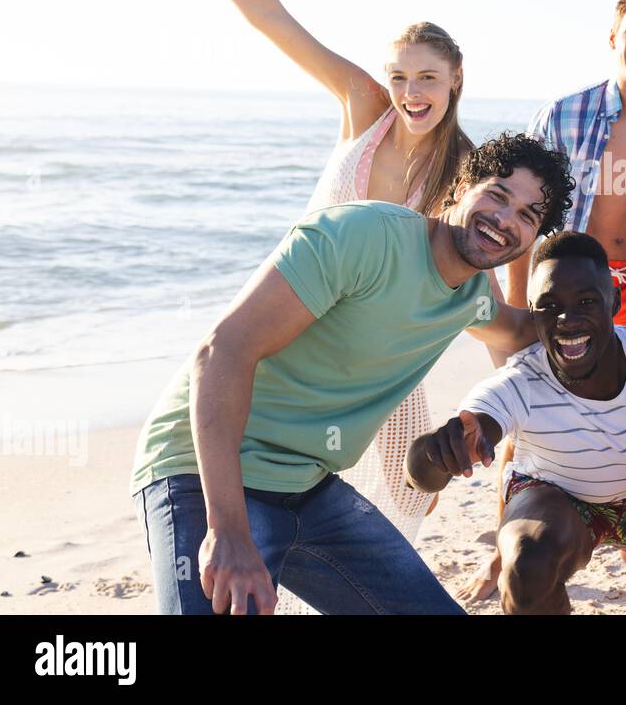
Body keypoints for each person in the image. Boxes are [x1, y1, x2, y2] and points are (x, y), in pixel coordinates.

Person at [151, 0, 506, 585]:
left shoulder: (467, 169)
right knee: (235, 426)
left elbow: (480, 281)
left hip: (375, 349)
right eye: (402, 75)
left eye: (429, 79)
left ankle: (345, 580)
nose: (413, 92)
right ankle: (234, 538)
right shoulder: (364, 107)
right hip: (295, 304)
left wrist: (514, 402)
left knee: (412, 481)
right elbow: (271, 17)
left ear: (456, 79)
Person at [128, 133, 574, 614]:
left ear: (533, 239)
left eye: (527, 216)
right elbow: (221, 351)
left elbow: (524, 332)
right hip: (203, 472)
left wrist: (625, 335)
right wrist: (228, 531)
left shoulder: (472, 297)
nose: (504, 219)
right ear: (461, 185)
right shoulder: (364, 235)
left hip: (307, 486)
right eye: (496, 195)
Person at [457, 0, 626, 599]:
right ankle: (506, 550)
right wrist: (519, 316)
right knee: (530, 421)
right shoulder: (564, 115)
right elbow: (528, 222)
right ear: (613, 39)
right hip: (572, 291)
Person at [408, 231, 626, 613]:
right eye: (550, 306)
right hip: (555, 496)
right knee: (527, 566)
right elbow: (422, 472)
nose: (568, 320)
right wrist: (434, 457)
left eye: (585, 302)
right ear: (532, 313)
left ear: (613, 301)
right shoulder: (520, 382)